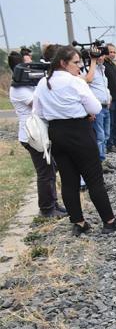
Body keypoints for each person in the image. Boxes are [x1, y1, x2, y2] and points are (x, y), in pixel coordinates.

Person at [32, 45, 116, 235]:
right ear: (63, 63)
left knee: (68, 182)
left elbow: (38, 112)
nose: (79, 67)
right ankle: (109, 221)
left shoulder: (44, 83)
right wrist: (83, 112)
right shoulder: (75, 82)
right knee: (94, 179)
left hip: (57, 134)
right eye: (75, 63)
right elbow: (95, 107)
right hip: (79, 132)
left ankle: (79, 223)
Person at [8, 51, 64, 218]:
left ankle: (53, 203)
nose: (31, 67)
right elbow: (39, 104)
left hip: (40, 134)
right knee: (45, 173)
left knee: (51, 168)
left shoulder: (28, 83)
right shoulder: (18, 89)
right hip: (32, 136)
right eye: (27, 65)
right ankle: (47, 209)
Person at [82, 50, 113, 172]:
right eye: (99, 55)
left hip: (105, 106)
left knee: (106, 134)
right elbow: (87, 84)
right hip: (98, 108)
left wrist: (108, 98)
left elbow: (103, 87)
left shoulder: (102, 70)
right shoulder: (89, 70)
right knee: (99, 136)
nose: (102, 57)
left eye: (102, 55)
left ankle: (103, 158)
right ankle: (99, 162)